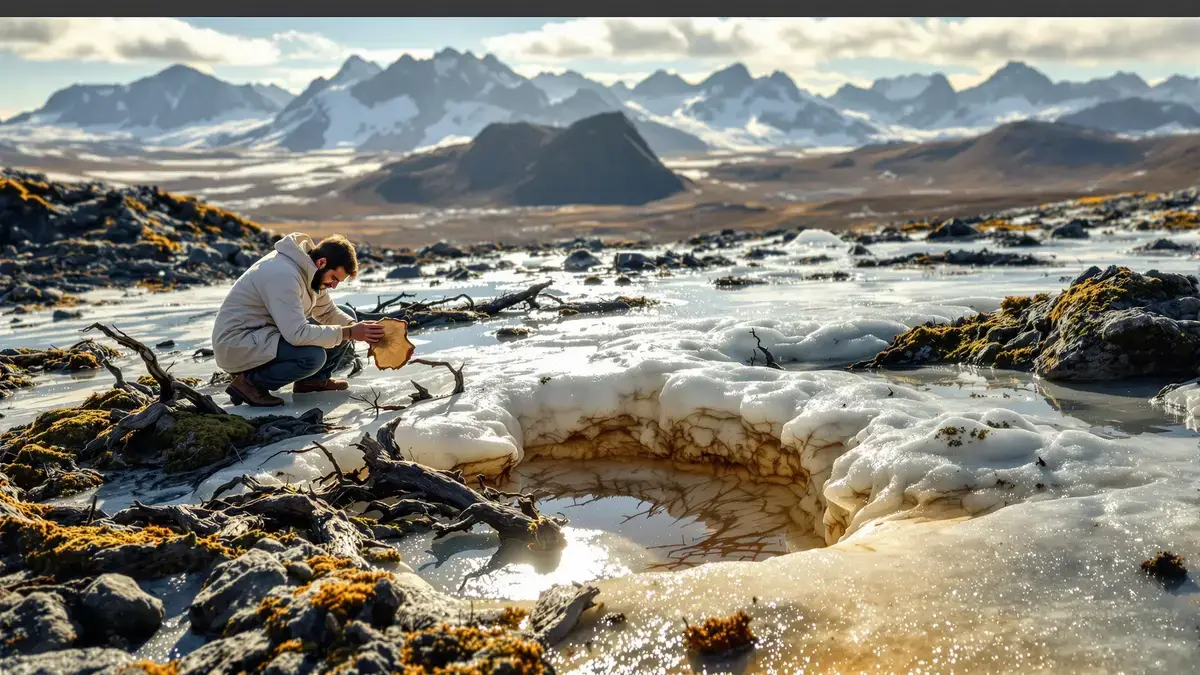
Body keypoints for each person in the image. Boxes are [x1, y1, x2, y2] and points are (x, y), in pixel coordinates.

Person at [212, 232, 385, 407]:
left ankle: (313, 382)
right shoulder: (283, 274)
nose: (334, 285)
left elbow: (327, 312)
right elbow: (296, 334)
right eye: (334, 278)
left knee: (346, 315)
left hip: (264, 335)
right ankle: (250, 384)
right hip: (237, 344)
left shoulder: (310, 270)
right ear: (322, 262)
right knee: (312, 357)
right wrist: (349, 332)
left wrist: (356, 328)